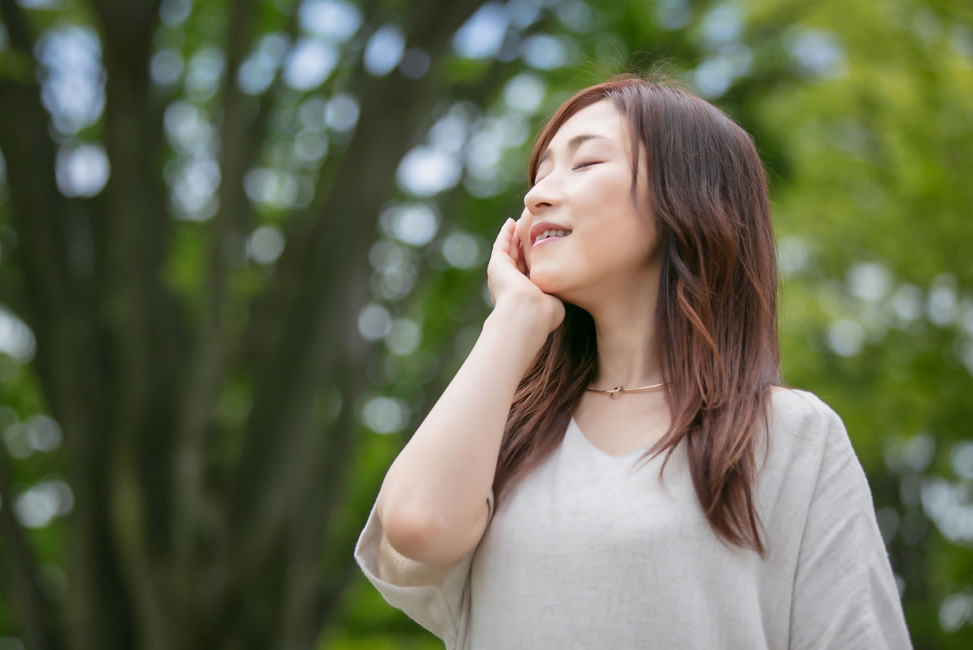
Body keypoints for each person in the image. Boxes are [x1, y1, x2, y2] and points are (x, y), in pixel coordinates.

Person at [353, 74, 912, 649]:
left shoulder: (788, 435)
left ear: (688, 199)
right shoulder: (500, 427)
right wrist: (515, 318)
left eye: (586, 163)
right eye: (540, 173)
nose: (537, 195)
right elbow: (418, 526)